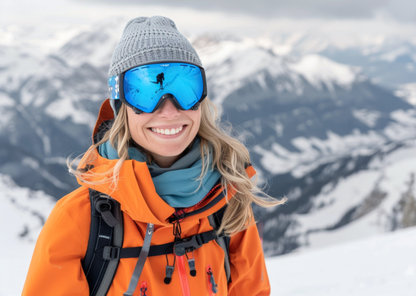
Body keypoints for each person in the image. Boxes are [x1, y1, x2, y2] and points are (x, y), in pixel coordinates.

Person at [22, 16, 284, 296]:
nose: (169, 110)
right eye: (146, 91)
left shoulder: (227, 201)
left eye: (186, 87)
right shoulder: (78, 221)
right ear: (120, 104)